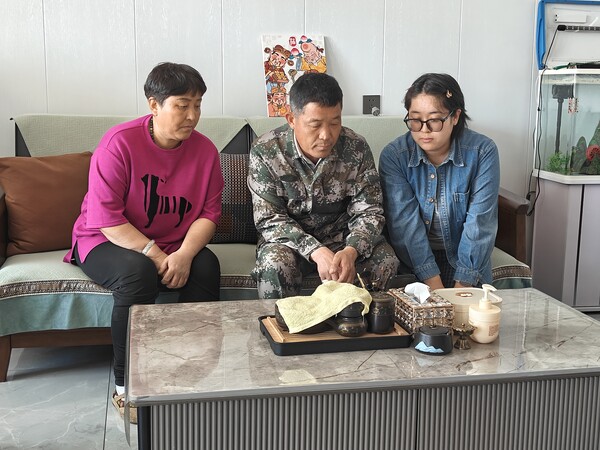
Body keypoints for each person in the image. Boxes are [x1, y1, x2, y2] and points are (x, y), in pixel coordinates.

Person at [64, 62, 224, 422]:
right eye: (182, 105)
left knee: (206, 265)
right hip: (103, 238)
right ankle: (127, 387)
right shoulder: (118, 143)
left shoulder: (205, 151)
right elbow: (107, 219)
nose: (192, 116)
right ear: (154, 105)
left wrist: (184, 254)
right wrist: (155, 254)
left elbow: (209, 214)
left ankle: (189, 373)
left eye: (198, 105)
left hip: (173, 242)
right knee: (137, 273)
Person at [248, 72, 399, 299]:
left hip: (342, 240)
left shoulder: (356, 148)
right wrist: (315, 250)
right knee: (274, 264)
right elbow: (269, 219)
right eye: (315, 125)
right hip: (290, 243)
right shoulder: (266, 150)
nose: (326, 135)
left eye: (335, 123)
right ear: (291, 119)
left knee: (386, 260)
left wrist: (352, 250)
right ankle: (279, 321)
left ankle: (361, 321)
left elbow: (370, 211)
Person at [379, 73, 500, 290]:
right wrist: (436, 290)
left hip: (463, 257)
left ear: (455, 116)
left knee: (473, 310)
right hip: (412, 262)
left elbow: (480, 224)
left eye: (434, 120)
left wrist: (461, 288)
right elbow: (405, 226)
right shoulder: (395, 156)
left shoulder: (482, 152)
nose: (424, 130)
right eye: (415, 120)